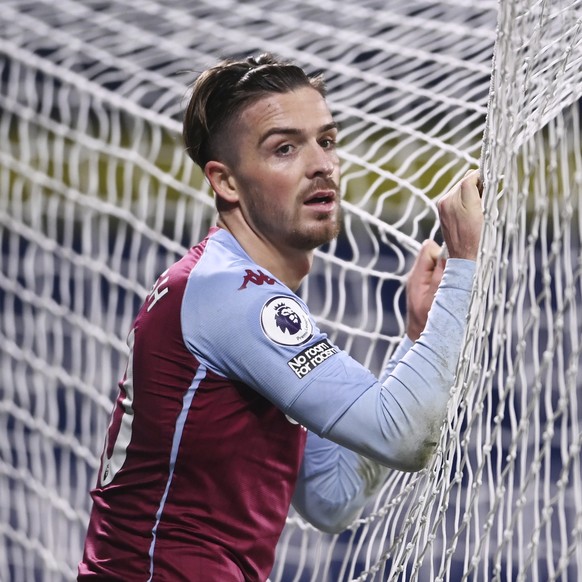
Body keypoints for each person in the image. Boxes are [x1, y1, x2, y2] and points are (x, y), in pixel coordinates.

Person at [78, 53, 483, 581]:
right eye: (285, 148)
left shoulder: (237, 290)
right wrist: (465, 266)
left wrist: (419, 333)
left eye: (327, 141)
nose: (321, 164)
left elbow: (330, 498)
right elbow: (403, 435)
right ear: (225, 182)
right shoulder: (235, 295)